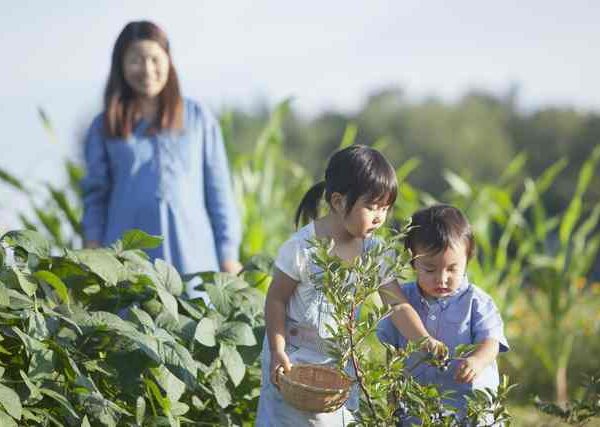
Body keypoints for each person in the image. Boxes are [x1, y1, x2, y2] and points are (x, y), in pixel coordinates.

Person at [256, 145, 441, 426]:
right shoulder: (302, 249)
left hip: (335, 366)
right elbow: (276, 300)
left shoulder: (374, 252)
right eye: (371, 206)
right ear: (339, 202)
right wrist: (277, 349)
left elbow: (398, 304)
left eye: (385, 208)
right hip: (292, 363)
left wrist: (423, 339)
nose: (380, 216)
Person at [81, 21, 242, 297]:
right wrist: (93, 253)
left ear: (169, 60)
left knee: (193, 328)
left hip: (193, 257)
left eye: (155, 59)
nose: (147, 69)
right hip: (127, 262)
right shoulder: (104, 126)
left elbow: (219, 191)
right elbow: (95, 197)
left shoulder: (198, 119)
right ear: (120, 65)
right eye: (135, 60)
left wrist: (228, 254)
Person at [377, 204, 509, 422]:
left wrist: (476, 361)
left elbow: (491, 342)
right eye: (430, 269)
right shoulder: (403, 301)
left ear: (467, 261)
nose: (442, 278)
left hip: (466, 410)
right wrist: (392, 397)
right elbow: (393, 350)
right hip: (416, 411)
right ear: (413, 262)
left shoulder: (476, 302)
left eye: (452, 269)